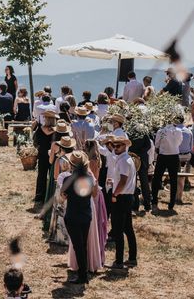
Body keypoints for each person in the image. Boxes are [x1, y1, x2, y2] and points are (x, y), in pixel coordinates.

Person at [62, 151, 101, 284]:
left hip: (73, 216)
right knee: (83, 244)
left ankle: (82, 275)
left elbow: (63, 196)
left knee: (78, 246)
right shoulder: (90, 178)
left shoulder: (68, 180)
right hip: (86, 215)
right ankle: (83, 273)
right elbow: (95, 194)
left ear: (71, 165)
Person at [108, 135, 137, 269]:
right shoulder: (126, 159)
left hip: (121, 197)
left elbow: (124, 180)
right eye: (114, 146)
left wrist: (114, 193)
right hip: (126, 196)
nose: (115, 148)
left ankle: (119, 261)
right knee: (127, 229)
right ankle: (132, 258)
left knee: (119, 230)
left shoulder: (123, 161)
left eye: (118, 146)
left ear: (125, 146)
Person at [151, 118, 183, 211]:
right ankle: (172, 203)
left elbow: (156, 145)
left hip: (163, 156)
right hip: (174, 156)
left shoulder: (161, 131)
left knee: (156, 179)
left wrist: (161, 148)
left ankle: (154, 202)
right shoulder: (179, 131)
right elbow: (179, 143)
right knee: (173, 180)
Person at [33, 110, 57, 204]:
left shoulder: (40, 129)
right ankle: (51, 195)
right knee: (52, 176)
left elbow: (36, 142)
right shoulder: (57, 131)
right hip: (53, 155)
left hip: (42, 155)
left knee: (41, 175)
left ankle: (40, 196)